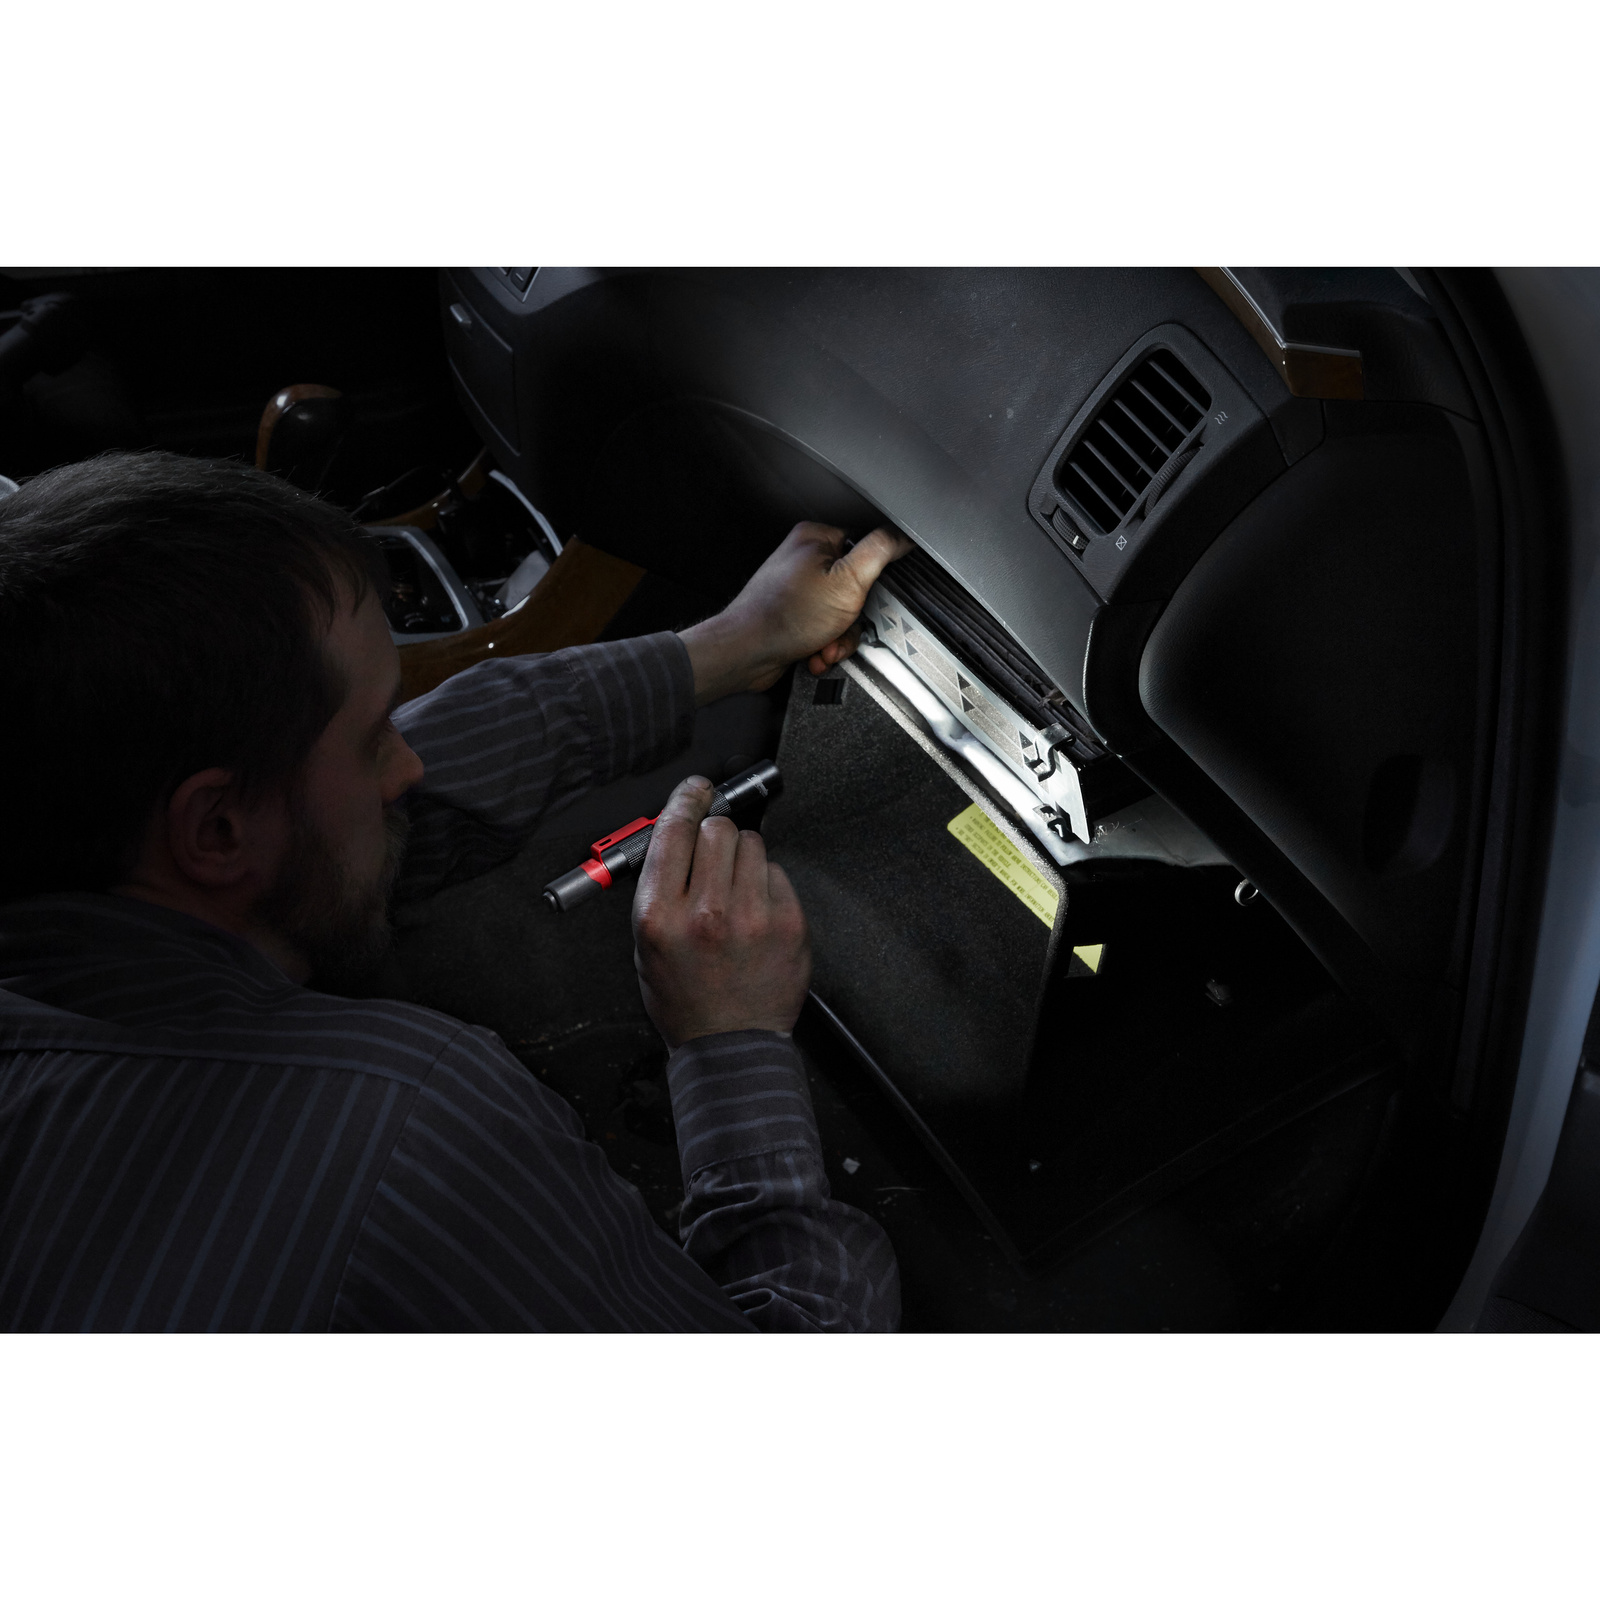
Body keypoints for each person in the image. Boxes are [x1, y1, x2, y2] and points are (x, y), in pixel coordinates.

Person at [0, 450, 912, 1331]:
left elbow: (356, 816)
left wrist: (727, 646)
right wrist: (731, 1042)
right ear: (216, 831)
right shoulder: (402, 1131)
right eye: (374, 739)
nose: (407, 768)